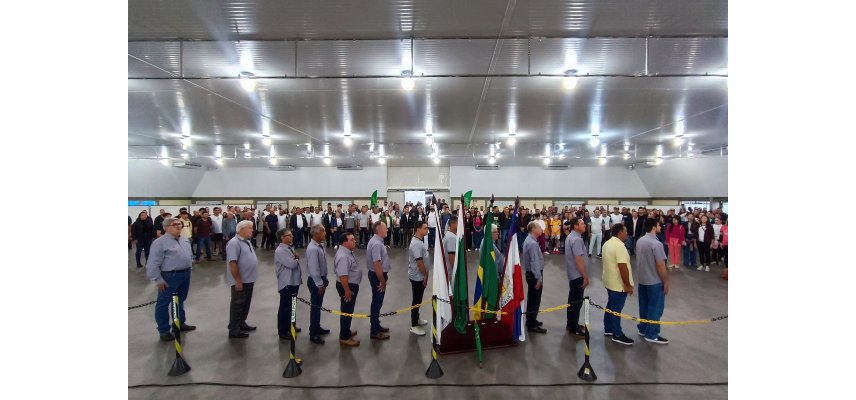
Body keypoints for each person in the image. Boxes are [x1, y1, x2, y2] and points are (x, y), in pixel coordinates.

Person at [146, 217, 196, 341]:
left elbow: (189, 255)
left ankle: (179, 323)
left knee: (180, 300)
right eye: (175, 224)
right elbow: (152, 263)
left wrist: (190, 266)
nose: (179, 226)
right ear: (166, 228)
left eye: (180, 224)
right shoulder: (159, 243)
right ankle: (163, 330)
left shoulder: (184, 239)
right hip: (169, 276)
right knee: (163, 303)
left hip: (185, 274)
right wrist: (158, 279)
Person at [636, 218, 670, 344]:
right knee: (655, 308)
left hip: (642, 280)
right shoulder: (657, 244)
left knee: (644, 306)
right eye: (659, 225)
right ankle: (652, 334)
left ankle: (643, 328)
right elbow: (660, 264)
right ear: (654, 227)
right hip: (654, 281)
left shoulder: (640, 241)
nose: (660, 227)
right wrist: (665, 281)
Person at [225, 220, 259, 339]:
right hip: (241, 281)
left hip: (249, 279)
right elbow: (233, 263)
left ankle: (241, 323)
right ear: (241, 230)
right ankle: (234, 329)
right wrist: (238, 280)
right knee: (238, 304)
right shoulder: (234, 243)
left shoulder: (247, 241)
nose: (252, 230)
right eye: (250, 228)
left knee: (245, 304)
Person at [602, 223, 635, 345]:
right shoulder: (619, 247)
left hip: (609, 281)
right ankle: (617, 334)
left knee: (611, 306)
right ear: (620, 233)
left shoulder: (607, 243)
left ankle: (608, 328)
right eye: (625, 231)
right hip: (618, 284)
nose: (627, 233)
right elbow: (622, 267)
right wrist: (627, 285)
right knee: (616, 309)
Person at [274, 228, 303, 341]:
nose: (292, 236)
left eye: (291, 234)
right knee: (285, 307)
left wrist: (295, 257)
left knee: (292, 306)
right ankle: (283, 331)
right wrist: (296, 258)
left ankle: (291, 326)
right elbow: (292, 264)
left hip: (293, 282)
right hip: (287, 283)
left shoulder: (289, 248)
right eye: (289, 235)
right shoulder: (281, 251)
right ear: (282, 237)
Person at [564, 218, 589, 338]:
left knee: (572, 301)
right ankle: (574, 328)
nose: (585, 225)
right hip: (578, 275)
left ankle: (571, 323)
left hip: (572, 274)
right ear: (575, 226)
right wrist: (585, 276)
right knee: (576, 303)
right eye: (582, 224)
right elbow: (579, 260)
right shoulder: (577, 240)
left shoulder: (570, 237)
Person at [335, 232, 361, 347]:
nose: (354, 241)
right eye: (351, 240)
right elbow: (343, 275)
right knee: (346, 311)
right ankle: (344, 337)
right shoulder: (343, 256)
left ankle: (346, 331)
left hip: (350, 285)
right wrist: (347, 290)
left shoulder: (347, 252)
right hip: (347, 286)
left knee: (348, 311)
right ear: (345, 242)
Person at [367, 221, 392, 340]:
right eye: (385, 228)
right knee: (377, 302)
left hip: (377, 275)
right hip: (378, 276)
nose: (387, 230)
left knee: (376, 301)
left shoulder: (376, 241)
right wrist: (382, 281)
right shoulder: (377, 244)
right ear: (379, 230)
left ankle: (376, 324)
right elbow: (377, 264)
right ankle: (375, 331)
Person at [306, 224, 331, 344]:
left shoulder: (319, 245)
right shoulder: (313, 249)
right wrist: (320, 284)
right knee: (315, 307)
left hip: (321, 279)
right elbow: (314, 269)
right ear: (316, 233)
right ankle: (313, 333)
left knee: (318, 306)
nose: (325, 233)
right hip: (316, 281)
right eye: (323, 231)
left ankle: (316, 327)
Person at [522, 221, 547, 334]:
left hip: (531, 274)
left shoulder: (530, 240)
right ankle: (531, 324)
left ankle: (531, 320)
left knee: (532, 298)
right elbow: (535, 262)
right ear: (533, 229)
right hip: (534, 275)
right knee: (535, 300)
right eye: (539, 227)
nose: (541, 229)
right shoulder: (532, 243)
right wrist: (539, 278)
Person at [408, 221, 431, 336]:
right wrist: (425, 275)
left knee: (418, 299)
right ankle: (414, 325)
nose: (427, 230)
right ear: (418, 229)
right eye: (425, 228)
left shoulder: (419, 241)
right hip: (418, 276)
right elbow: (419, 262)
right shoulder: (417, 244)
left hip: (419, 275)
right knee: (416, 300)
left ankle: (417, 319)